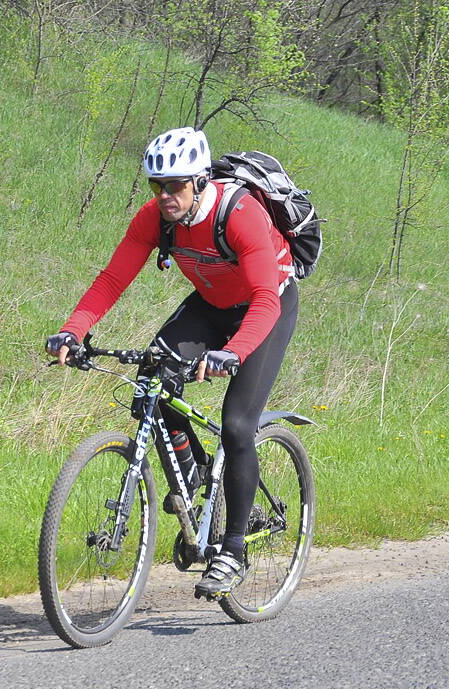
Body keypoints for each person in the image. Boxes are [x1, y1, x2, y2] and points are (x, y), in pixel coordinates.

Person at [45, 127, 299, 598]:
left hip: (268, 307)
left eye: (175, 185)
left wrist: (232, 353)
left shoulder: (239, 214)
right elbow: (112, 279)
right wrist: (73, 330)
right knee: (151, 379)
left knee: (237, 426)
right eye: (156, 185)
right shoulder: (155, 218)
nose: (164, 196)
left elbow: (265, 298)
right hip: (211, 304)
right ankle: (195, 473)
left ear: (200, 181)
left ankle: (234, 549)